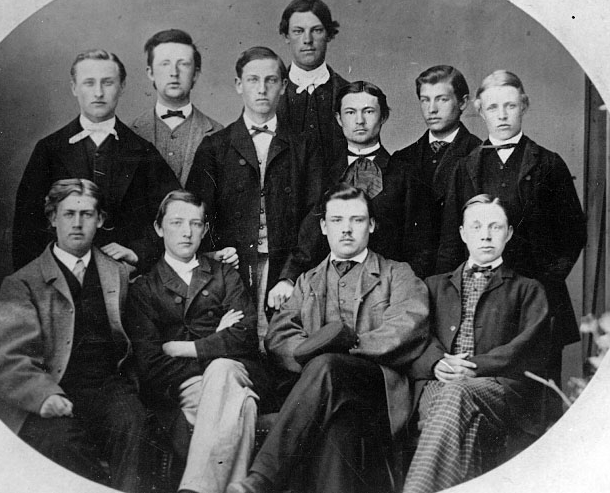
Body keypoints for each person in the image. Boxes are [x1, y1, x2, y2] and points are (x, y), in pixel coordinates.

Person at [227, 184, 429, 493]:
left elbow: (407, 326)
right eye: (337, 220)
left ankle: (262, 480)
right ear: (323, 226)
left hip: (377, 389)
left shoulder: (397, 274)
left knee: (328, 366)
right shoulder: (307, 281)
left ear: (371, 225)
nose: (346, 229)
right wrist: (316, 356)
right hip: (325, 393)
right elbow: (279, 335)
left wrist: (346, 348)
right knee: (339, 422)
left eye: (357, 220)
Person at [0, 179, 151, 493]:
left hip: (108, 388)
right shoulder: (23, 283)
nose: (77, 223)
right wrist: (45, 395)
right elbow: (9, 359)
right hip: (55, 387)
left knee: (135, 425)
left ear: (100, 220)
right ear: (53, 218)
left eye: (87, 214)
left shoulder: (119, 273)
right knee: (61, 444)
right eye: (68, 214)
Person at [436, 70, 586, 390]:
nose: (502, 115)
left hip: (536, 299)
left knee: (539, 395)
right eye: (493, 107)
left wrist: (543, 282)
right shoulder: (465, 167)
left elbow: (573, 233)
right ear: (480, 110)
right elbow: (451, 238)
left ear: (524, 106)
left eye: (511, 106)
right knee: (474, 385)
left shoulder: (548, 164)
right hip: (480, 303)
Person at [124, 190, 268, 493]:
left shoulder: (225, 274)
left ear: (205, 230)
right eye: (177, 223)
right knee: (240, 404)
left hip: (238, 371)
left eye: (195, 223)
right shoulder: (144, 289)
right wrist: (218, 338)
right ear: (159, 228)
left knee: (222, 372)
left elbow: (245, 334)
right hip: (184, 385)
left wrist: (185, 348)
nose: (187, 232)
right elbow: (150, 363)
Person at [405, 194, 551, 493]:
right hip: (437, 382)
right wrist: (437, 362)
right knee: (467, 427)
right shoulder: (432, 286)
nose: (485, 235)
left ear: (509, 233)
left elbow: (528, 348)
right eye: (476, 227)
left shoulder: (528, 289)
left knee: (456, 394)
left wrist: (474, 366)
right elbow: (414, 339)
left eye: (495, 227)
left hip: (500, 389)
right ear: (462, 233)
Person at [186, 46, 323, 349]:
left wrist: (291, 274)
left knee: (283, 344)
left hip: (286, 265)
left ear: (284, 86)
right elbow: (196, 211)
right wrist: (214, 252)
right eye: (253, 80)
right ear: (239, 85)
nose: (262, 89)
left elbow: (316, 212)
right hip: (231, 267)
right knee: (237, 343)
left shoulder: (304, 146)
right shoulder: (215, 147)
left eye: (271, 80)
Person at [269, 81, 435, 311]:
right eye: (350, 112)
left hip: (385, 294)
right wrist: (288, 278)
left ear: (383, 116)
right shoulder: (323, 174)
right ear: (339, 119)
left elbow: (420, 248)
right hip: (329, 293)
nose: (359, 120)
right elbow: (309, 235)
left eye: (368, 111)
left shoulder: (405, 175)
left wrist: (402, 291)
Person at [12, 48, 180, 272]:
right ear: (74, 87)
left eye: (108, 83)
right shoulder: (49, 149)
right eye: (89, 83)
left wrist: (138, 253)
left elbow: (176, 213)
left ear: (122, 87)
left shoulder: (142, 151)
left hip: (126, 277)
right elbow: (26, 227)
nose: (98, 93)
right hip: (62, 277)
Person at [394, 65, 482, 267]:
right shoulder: (402, 158)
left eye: (442, 99)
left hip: (458, 271)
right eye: (425, 100)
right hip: (409, 275)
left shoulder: (480, 155)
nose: (431, 109)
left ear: (463, 102)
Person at [130, 29, 223, 186]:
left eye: (183, 64)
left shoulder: (219, 133)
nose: (174, 72)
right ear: (150, 73)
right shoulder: (129, 133)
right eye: (165, 64)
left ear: (195, 74)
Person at [276, 0, 350, 167]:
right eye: (298, 31)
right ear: (286, 36)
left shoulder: (350, 93)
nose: (307, 40)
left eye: (316, 30)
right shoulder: (269, 94)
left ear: (329, 35)